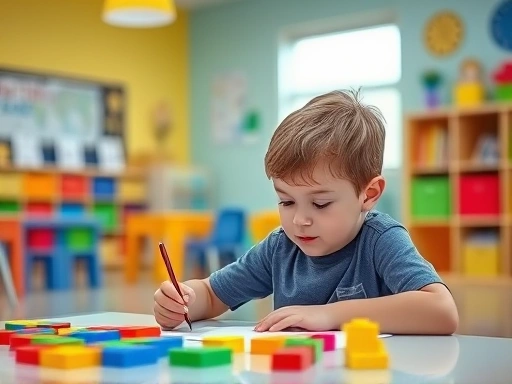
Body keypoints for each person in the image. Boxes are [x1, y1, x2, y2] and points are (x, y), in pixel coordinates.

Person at [153, 89, 459, 335]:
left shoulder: (380, 240)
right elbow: (211, 295)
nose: (300, 220)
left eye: (321, 203)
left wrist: (329, 315)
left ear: (369, 194)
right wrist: (183, 301)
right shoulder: (280, 247)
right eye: (286, 201)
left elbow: (442, 311)